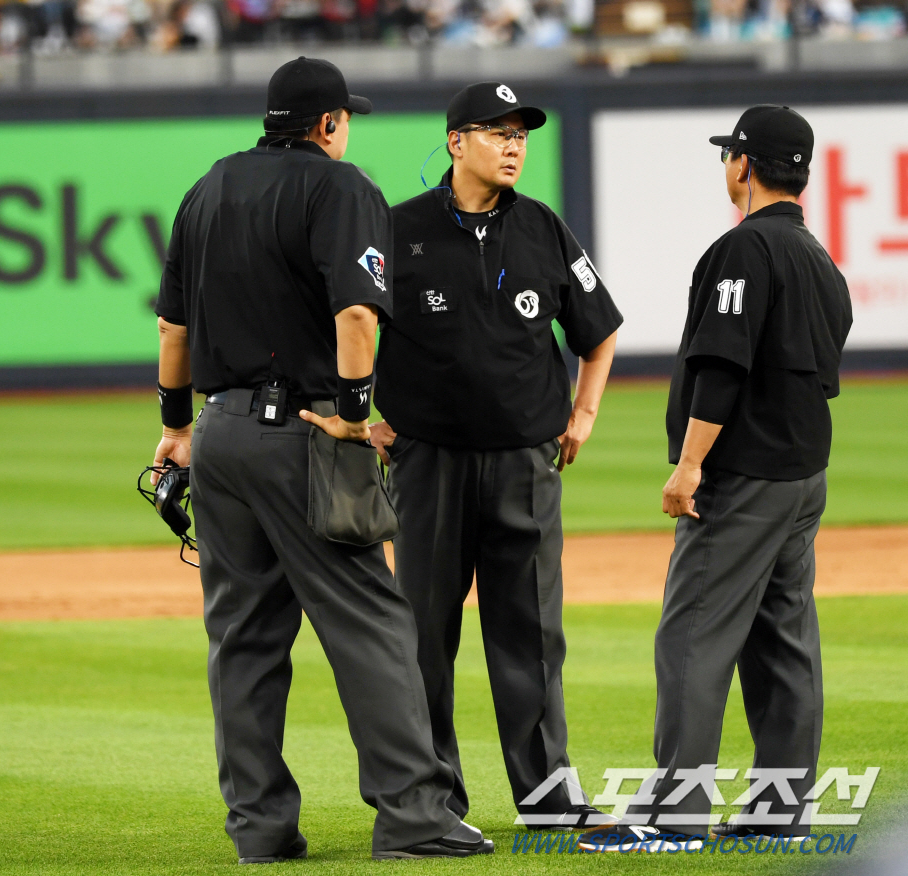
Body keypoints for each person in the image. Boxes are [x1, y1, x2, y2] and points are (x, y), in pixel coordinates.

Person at [151, 56, 492, 862]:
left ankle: (260, 829)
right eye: (346, 120)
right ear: (329, 123)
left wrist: (175, 427)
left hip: (219, 434)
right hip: (302, 433)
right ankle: (415, 818)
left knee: (242, 637)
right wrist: (353, 415)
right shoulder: (340, 188)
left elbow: (172, 329)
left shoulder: (207, 188)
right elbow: (358, 316)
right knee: (372, 623)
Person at [578, 105, 853, 851]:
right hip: (803, 476)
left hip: (743, 476)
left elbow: (724, 366)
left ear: (745, 164)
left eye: (729, 154)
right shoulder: (819, 259)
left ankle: (674, 818)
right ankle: (779, 815)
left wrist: (691, 463)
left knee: (692, 635)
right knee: (783, 641)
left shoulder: (744, 249)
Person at [370, 81, 622, 831]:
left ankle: (550, 803)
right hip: (428, 463)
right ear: (456, 142)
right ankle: (431, 805)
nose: (514, 146)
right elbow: (343, 322)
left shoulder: (544, 228)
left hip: (524, 463)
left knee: (532, 636)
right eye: (497, 132)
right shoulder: (398, 228)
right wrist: (361, 417)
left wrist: (583, 413)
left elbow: (600, 330)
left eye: (522, 135)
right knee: (423, 637)